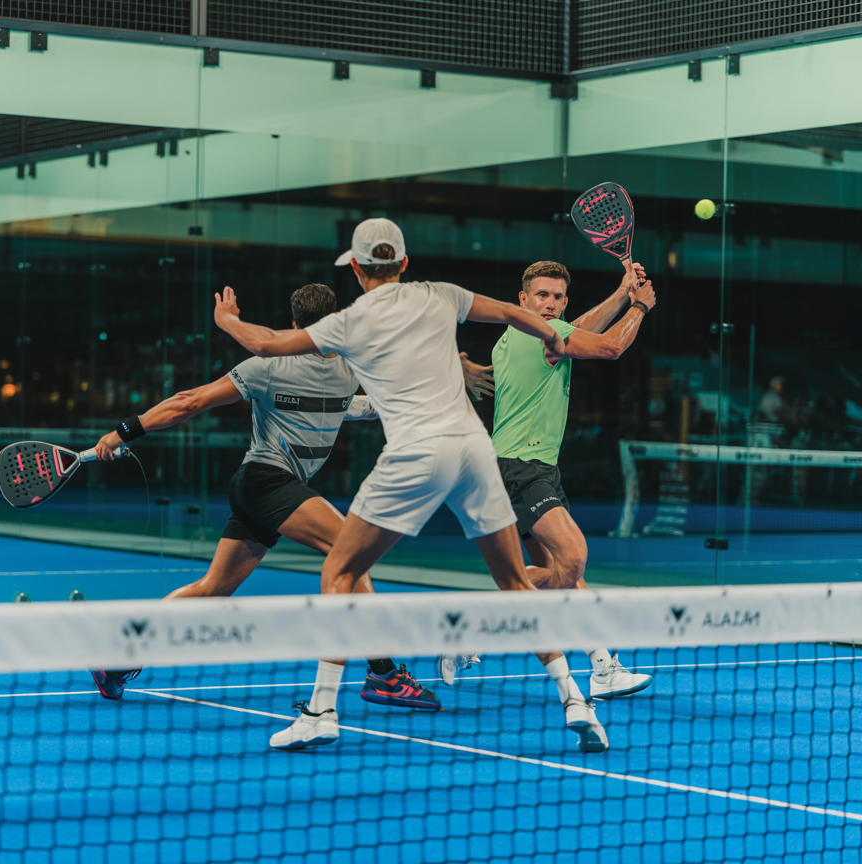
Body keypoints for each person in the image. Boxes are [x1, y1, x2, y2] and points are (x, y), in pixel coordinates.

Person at [214, 218, 611, 754]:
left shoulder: (349, 322)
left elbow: (265, 345)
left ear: (356, 269)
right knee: (517, 581)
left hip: (416, 455)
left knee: (341, 569)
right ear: (404, 264)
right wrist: (558, 335)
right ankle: (575, 700)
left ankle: (321, 712)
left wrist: (228, 320)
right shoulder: (443, 295)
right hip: (474, 450)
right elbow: (518, 314)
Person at [89, 283, 441, 713]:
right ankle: (384, 674)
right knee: (349, 547)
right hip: (265, 481)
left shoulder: (274, 366)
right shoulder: (349, 366)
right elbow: (375, 396)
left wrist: (124, 430)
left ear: (293, 325)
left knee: (212, 589)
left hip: (259, 487)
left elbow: (189, 403)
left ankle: (117, 660)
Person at [456, 259, 655, 702]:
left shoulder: (518, 334)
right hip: (519, 470)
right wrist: (639, 307)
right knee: (574, 559)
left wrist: (622, 292)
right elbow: (609, 348)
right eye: (541, 295)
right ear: (522, 299)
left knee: (561, 574)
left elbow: (579, 326)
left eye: (558, 297)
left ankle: (603, 665)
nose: (550, 304)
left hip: (524, 468)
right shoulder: (539, 335)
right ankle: (479, 618)